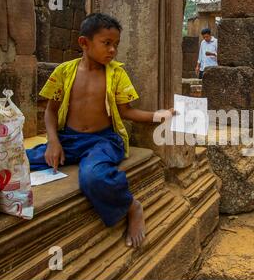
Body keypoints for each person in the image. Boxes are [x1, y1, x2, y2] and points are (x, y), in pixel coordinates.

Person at [26, 13, 176, 248]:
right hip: (68, 139)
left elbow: (127, 112)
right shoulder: (64, 72)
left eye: (116, 44)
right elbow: (50, 111)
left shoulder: (116, 74)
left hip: (103, 142)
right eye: (107, 43)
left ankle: (131, 206)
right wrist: (53, 142)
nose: (113, 50)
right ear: (84, 43)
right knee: (20, 161)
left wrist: (159, 116)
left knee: (93, 177)